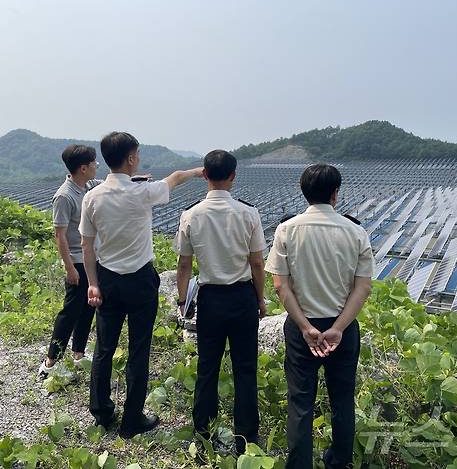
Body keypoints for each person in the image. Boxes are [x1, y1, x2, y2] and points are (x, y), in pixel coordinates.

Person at [79, 132, 203, 438]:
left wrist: (92, 284)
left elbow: (86, 245)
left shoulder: (92, 197)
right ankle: (132, 420)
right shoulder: (143, 193)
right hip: (139, 280)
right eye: (138, 154)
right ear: (132, 158)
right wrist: (198, 172)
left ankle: (102, 412)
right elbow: (173, 179)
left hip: (107, 280)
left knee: (105, 348)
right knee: (138, 350)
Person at [265, 164, 373, 469]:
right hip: (342, 327)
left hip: (302, 328)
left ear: (304, 192)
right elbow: (363, 287)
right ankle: (340, 462)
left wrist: (304, 326)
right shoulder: (355, 232)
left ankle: (299, 464)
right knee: (342, 400)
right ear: (336, 193)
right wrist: (338, 328)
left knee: (300, 402)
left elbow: (280, 286)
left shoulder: (287, 230)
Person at [174, 150, 267, 454]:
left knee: (207, 368)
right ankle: (247, 440)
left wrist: (181, 299)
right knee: (245, 369)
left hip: (210, 298)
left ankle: (203, 435)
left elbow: (184, 265)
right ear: (233, 176)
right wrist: (260, 299)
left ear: (205, 175)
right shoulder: (248, 213)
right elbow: (256, 263)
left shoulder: (191, 214)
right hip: (242, 297)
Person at [39, 144, 100, 377]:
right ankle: (50, 362)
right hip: (76, 260)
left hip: (90, 259)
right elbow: (59, 235)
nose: (97, 166)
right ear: (83, 168)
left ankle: (78, 354)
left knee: (88, 308)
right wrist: (69, 268)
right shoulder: (64, 196)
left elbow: (110, 184)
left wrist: (134, 179)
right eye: (94, 163)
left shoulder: (88, 186)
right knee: (70, 312)